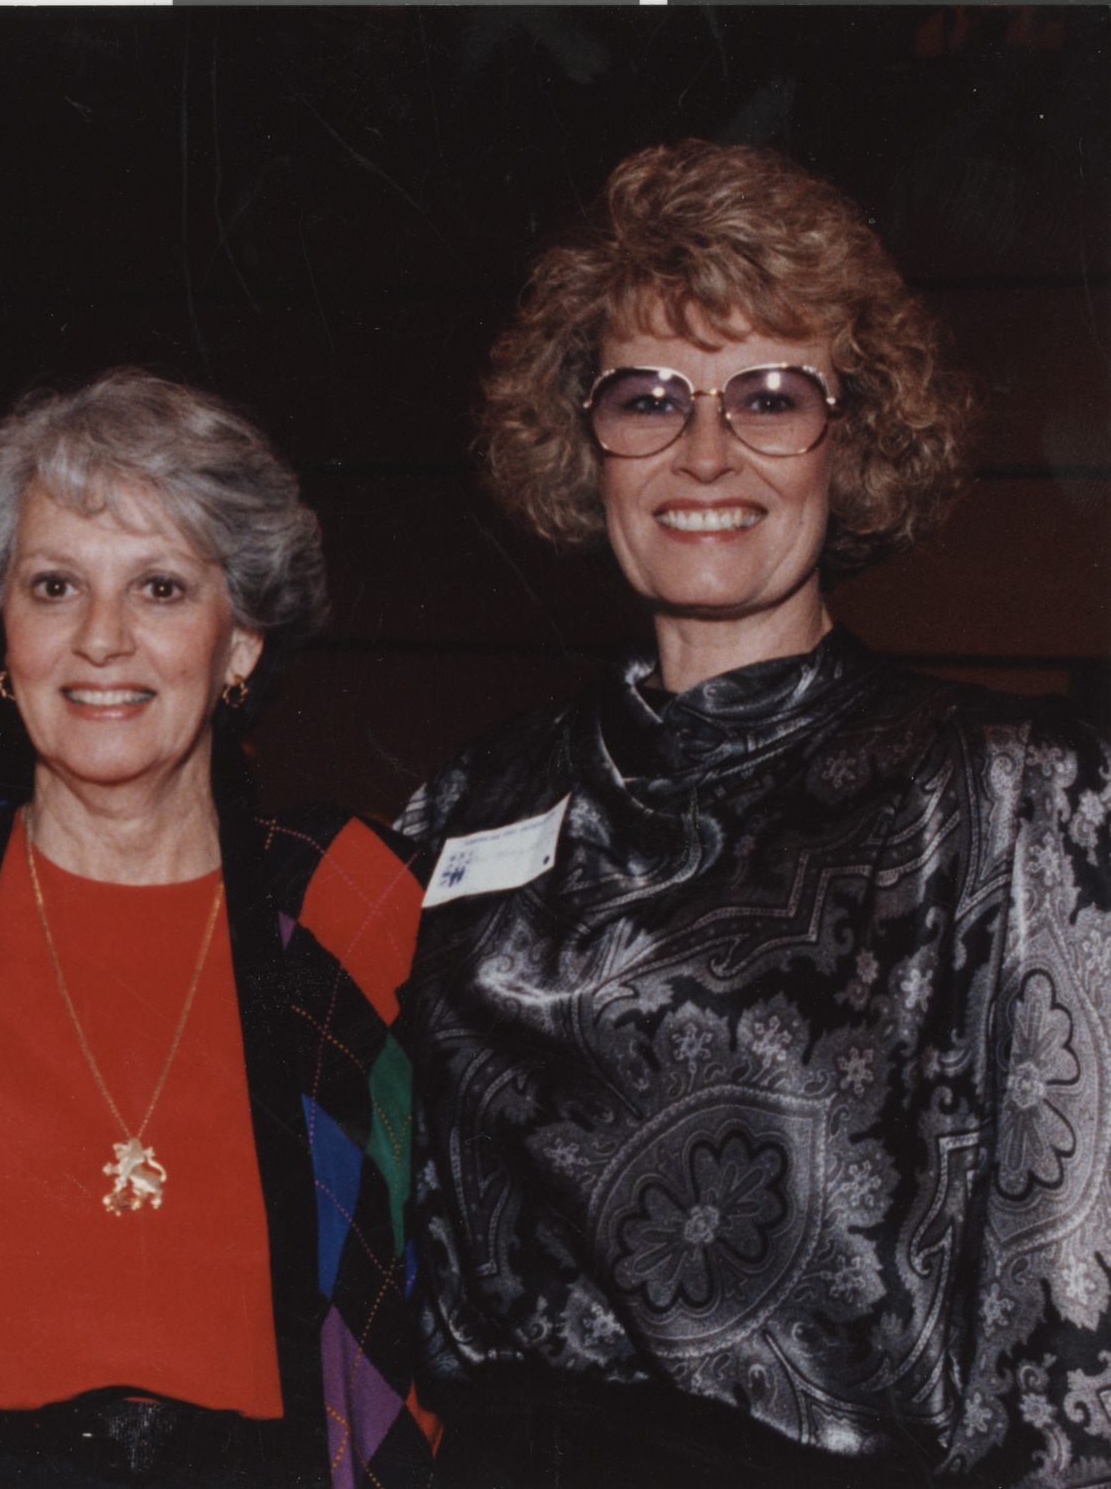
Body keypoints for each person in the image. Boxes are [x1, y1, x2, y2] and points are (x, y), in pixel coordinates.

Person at [394, 139, 1111, 1488]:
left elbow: (1074, 1330)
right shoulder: (465, 800)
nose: (704, 452)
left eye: (769, 397)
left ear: (853, 438)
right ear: (582, 438)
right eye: (648, 397)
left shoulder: (1003, 788)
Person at [0, 368, 440, 1488]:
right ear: (3, 635)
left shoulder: (349, 905)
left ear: (243, 644)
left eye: (163, 589)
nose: (102, 641)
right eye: (55, 586)